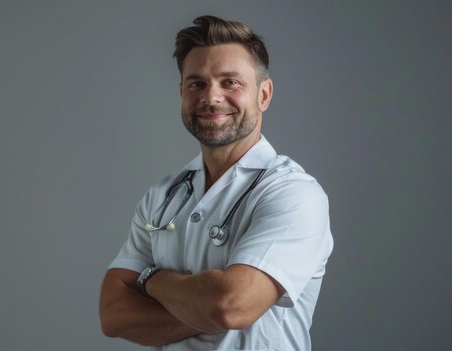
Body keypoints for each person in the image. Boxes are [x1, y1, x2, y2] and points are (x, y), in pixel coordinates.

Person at [99, 15, 333, 351]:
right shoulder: (162, 196)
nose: (212, 97)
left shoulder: (293, 193)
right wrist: (201, 305)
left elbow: (229, 306)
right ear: (182, 93)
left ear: (263, 95)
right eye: (196, 84)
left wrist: (150, 278)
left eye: (230, 82)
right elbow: (112, 315)